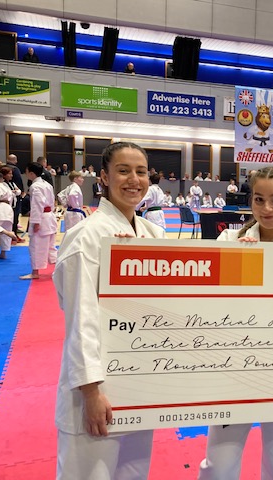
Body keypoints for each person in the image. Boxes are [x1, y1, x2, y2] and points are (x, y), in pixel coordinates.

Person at [53, 142, 165, 480]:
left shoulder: (152, 234)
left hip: (141, 383)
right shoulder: (86, 236)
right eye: (123, 170)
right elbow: (81, 319)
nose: (134, 179)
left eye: (141, 172)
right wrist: (91, 391)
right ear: (103, 177)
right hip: (98, 386)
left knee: (134, 474)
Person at [198, 166, 273, 480]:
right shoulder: (230, 239)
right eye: (259, 199)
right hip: (233, 368)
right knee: (219, 464)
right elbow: (200, 303)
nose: (267, 208)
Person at [19, 162, 57, 280]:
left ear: (31, 173)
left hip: (41, 218)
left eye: (26, 172)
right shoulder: (47, 184)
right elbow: (51, 202)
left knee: (36, 246)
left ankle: (35, 272)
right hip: (49, 216)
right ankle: (59, 270)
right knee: (51, 246)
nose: (26, 174)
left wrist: (36, 222)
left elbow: (37, 205)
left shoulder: (35, 186)